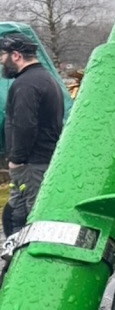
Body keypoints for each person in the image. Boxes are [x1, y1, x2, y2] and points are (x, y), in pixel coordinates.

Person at [0, 33, 65, 234]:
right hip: (41, 159)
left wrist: (17, 159)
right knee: (13, 214)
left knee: (34, 219)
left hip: (31, 164)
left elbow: (24, 125)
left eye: (2, 56)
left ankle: (29, 262)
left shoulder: (25, 85)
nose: (2, 61)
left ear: (16, 55)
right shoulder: (46, 78)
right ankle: (12, 260)